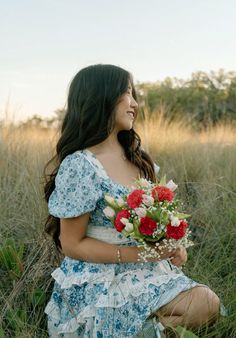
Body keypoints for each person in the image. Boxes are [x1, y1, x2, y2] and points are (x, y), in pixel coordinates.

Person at [44, 64, 220, 337]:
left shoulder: (138, 159)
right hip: (100, 278)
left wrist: (172, 247)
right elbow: (71, 243)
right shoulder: (80, 165)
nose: (134, 103)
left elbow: (150, 224)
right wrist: (136, 255)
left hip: (147, 271)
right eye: (126, 93)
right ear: (101, 96)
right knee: (204, 302)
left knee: (208, 304)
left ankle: (143, 330)